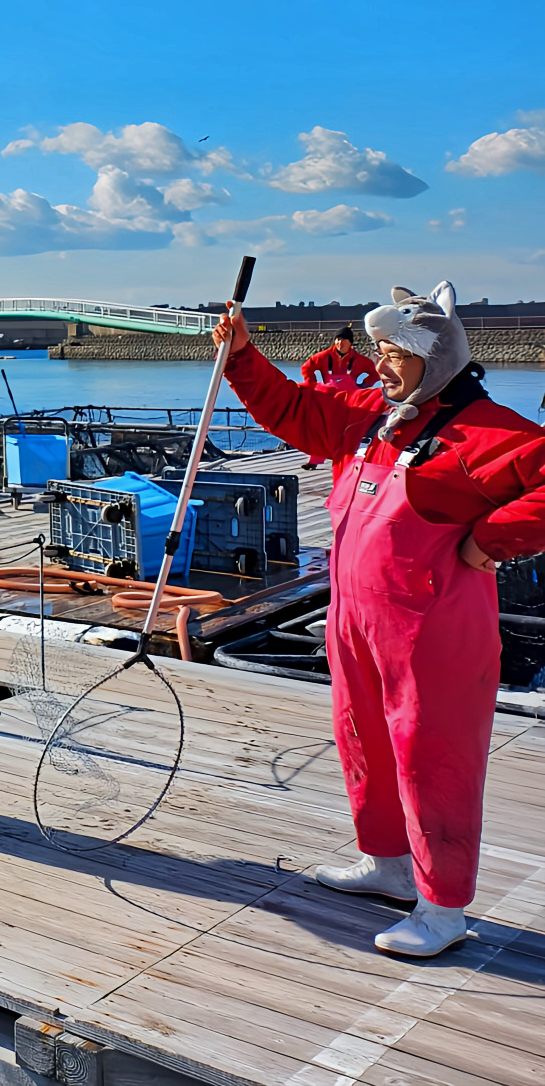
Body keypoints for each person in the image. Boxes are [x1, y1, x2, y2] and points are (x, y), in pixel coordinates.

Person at [212, 282, 545, 957]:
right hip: (357, 620)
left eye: (394, 352)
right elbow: (290, 408)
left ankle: (443, 908)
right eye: (379, 350)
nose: (381, 364)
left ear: (436, 357)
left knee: (433, 759)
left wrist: (490, 541)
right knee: (362, 740)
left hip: (434, 632)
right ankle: (387, 863)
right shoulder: (371, 416)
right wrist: (243, 355)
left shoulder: (489, 432)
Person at [296, 327, 381, 469]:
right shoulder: (323, 357)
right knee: (320, 429)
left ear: (350, 343)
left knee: (352, 429)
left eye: (343, 340)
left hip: (351, 400)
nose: (339, 343)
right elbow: (307, 368)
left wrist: (364, 385)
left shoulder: (359, 360)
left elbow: (375, 373)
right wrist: (312, 384)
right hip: (328, 399)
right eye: (337, 339)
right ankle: (314, 460)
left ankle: (353, 458)